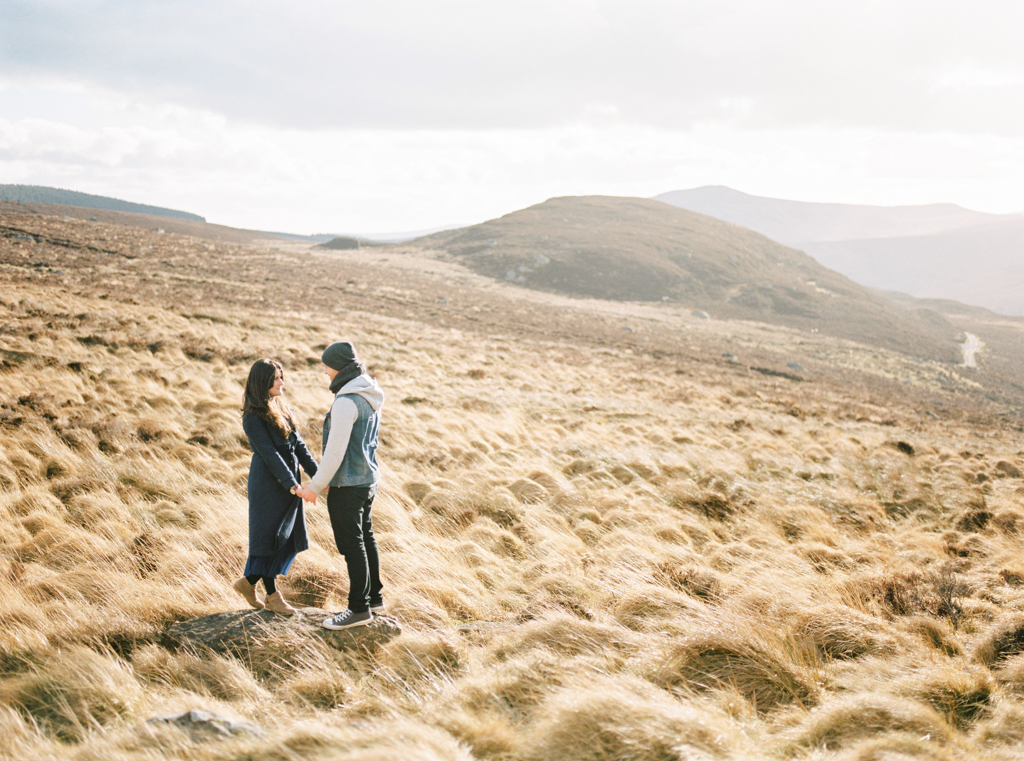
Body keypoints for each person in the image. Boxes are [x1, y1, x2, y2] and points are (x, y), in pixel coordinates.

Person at [296, 341, 385, 630]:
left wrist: (314, 486)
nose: (325, 372)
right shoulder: (369, 395)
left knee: (352, 545)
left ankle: (359, 609)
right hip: (367, 480)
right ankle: (374, 599)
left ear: (340, 367)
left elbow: (335, 452)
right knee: (366, 538)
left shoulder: (346, 402)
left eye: (328, 366)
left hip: (348, 486)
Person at [234, 358, 318, 615]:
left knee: (287, 539)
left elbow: (299, 447)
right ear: (263, 382)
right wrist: (293, 486)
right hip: (269, 485)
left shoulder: (281, 407)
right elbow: (270, 455)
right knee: (269, 539)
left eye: (282, 377)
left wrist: (319, 476)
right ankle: (272, 596)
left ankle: (248, 583)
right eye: (277, 378)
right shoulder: (252, 417)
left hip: (287, 481)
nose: (282, 382)